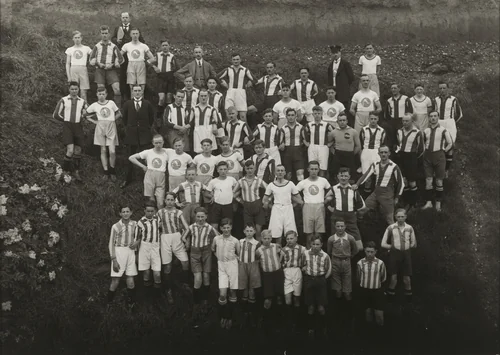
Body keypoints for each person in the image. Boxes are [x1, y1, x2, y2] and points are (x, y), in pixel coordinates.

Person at [354, 146, 404, 225]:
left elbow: (401, 184)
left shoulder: (394, 166)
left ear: (389, 154)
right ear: (378, 154)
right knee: (361, 211)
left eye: (385, 152)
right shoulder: (375, 164)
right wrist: (357, 184)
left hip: (387, 195)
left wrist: (397, 197)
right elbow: (366, 175)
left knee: (390, 220)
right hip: (376, 193)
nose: (383, 154)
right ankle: (359, 229)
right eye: (381, 152)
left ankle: (396, 236)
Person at [157, 192, 190, 304]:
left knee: (185, 262)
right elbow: (155, 226)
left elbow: (187, 228)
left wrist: (184, 238)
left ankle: (185, 283)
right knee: (167, 266)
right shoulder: (160, 212)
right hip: (165, 238)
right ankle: (168, 290)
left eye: (172, 200)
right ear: (165, 201)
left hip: (177, 237)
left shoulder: (178, 212)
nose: (170, 202)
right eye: (168, 200)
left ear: (174, 201)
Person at [121, 85, 156, 188]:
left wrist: (146, 127)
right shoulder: (127, 104)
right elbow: (125, 119)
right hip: (131, 135)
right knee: (130, 157)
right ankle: (128, 179)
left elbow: (151, 118)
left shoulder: (147, 104)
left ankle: (147, 179)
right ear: (132, 92)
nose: (137, 93)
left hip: (144, 135)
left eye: (139, 91)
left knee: (146, 158)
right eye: (135, 91)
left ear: (142, 92)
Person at [181, 207, 219, 304]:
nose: (200, 219)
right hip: (195, 253)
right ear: (195, 217)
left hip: (206, 252)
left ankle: (206, 299)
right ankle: (196, 301)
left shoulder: (209, 227)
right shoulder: (191, 227)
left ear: (206, 217)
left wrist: (213, 246)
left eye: (202, 217)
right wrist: (187, 242)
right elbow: (183, 237)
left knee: (206, 276)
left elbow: (218, 238)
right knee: (198, 277)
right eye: (198, 217)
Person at [52, 81, 88, 181]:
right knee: (70, 150)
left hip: (78, 127)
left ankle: (76, 171)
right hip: (68, 126)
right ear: (69, 89)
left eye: (76, 89)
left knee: (78, 150)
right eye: (72, 89)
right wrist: (65, 119)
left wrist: (83, 116)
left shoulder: (82, 101)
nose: (74, 91)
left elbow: (89, 112)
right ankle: (64, 171)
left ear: (78, 90)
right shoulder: (64, 100)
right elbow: (55, 115)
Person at [327, 219, 358, 329]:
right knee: (338, 290)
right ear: (335, 227)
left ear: (345, 227)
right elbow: (329, 251)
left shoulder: (350, 238)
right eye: (338, 226)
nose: (340, 228)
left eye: (342, 226)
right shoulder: (331, 239)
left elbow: (355, 250)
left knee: (347, 291)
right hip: (335, 262)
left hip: (346, 262)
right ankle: (338, 314)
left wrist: (348, 257)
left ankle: (349, 315)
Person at [381, 209, 417, 303]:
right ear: (395, 217)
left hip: (406, 254)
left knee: (407, 278)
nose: (400, 218)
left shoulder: (409, 228)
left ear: (406, 217)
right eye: (398, 217)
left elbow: (414, 243)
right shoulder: (391, 228)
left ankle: (408, 300)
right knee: (393, 277)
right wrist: (393, 247)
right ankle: (390, 298)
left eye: (402, 216)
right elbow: (383, 244)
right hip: (394, 254)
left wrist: (407, 246)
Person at [85, 87, 121, 181]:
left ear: (106, 94)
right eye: (99, 94)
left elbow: (119, 113)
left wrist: (113, 120)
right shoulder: (94, 105)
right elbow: (86, 115)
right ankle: (106, 172)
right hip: (100, 127)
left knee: (112, 150)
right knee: (103, 149)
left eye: (103, 94)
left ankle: (112, 170)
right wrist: (95, 122)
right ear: (97, 94)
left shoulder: (111, 103)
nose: (101, 96)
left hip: (111, 127)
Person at [263, 165, 304, 245]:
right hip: (276, 209)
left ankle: (289, 253)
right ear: (275, 173)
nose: (280, 172)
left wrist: (291, 205)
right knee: (277, 234)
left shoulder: (290, 184)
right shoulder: (271, 185)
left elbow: (299, 199)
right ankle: (279, 253)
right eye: (278, 170)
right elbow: (264, 200)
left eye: (282, 170)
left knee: (290, 232)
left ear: (285, 172)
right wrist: (272, 206)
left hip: (288, 208)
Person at [326, 168, 365, 250]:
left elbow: (361, 206)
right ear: (338, 176)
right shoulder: (334, 188)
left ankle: (350, 259)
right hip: (337, 218)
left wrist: (354, 212)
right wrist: (331, 209)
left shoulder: (353, 189)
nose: (343, 178)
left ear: (349, 177)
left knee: (359, 246)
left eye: (346, 176)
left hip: (350, 219)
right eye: (341, 176)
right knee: (336, 245)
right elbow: (326, 200)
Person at [107, 204, 139, 306]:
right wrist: (114, 259)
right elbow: (111, 243)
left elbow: (141, 236)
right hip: (119, 252)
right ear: (120, 213)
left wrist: (137, 242)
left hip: (130, 252)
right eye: (123, 212)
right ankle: (108, 302)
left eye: (127, 211)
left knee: (130, 280)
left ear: (131, 212)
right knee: (115, 280)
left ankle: (131, 304)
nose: (125, 214)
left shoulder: (135, 224)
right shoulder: (115, 226)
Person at [212, 218, 240, 329]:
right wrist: (219, 258)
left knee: (233, 292)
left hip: (232, 265)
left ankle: (230, 318)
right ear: (220, 228)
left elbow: (239, 253)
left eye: (228, 227)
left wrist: (233, 260)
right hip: (221, 265)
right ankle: (223, 316)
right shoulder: (216, 239)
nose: (226, 230)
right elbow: (213, 249)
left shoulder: (235, 241)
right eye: (224, 228)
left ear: (231, 227)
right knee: (222, 294)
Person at [422, 111, 453, 212]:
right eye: (431, 116)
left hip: (439, 156)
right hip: (427, 157)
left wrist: (444, 151)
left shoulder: (443, 130)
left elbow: (450, 143)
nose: (433, 118)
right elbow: (422, 143)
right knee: (428, 180)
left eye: (435, 116)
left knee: (439, 180)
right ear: (429, 118)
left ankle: (438, 204)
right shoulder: (425, 131)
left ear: (438, 117)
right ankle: (428, 202)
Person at [296, 161, 331, 248]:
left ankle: (319, 256)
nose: (314, 171)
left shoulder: (323, 181)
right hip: (308, 207)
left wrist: (325, 201)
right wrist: (301, 202)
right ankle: (309, 255)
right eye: (312, 169)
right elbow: (293, 193)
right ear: (308, 170)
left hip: (320, 207)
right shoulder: (303, 182)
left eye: (316, 169)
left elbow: (331, 192)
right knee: (309, 235)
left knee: (319, 234)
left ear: (319, 170)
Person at [302, 236, 332, 338]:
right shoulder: (305, 253)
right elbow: (302, 265)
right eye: (313, 244)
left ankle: (324, 328)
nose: (315, 246)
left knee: (321, 307)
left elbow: (328, 270)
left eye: (317, 244)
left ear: (321, 245)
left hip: (320, 281)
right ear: (310, 244)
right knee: (310, 306)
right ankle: (310, 328)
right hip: (309, 280)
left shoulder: (325, 256)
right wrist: (304, 269)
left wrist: (322, 279)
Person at [129, 135, 168, 209]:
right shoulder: (148, 152)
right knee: (151, 201)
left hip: (161, 177)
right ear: (153, 143)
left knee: (160, 203)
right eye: (156, 143)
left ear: (163, 142)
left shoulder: (167, 152)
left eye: (160, 142)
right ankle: (153, 218)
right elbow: (131, 158)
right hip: (150, 175)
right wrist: (143, 166)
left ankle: (161, 217)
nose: (158, 145)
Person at [111, 12, 144, 101]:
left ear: (129, 18)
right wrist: (116, 40)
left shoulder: (134, 29)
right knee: (123, 75)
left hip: (133, 56)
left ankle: (135, 96)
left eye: (126, 17)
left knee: (135, 77)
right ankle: (125, 96)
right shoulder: (118, 28)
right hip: (122, 55)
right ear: (121, 18)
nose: (125, 19)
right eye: (123, 17)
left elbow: (142, 41)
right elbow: (113, 39)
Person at [89, 25, 124, 108]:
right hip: (100, 70)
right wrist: (98, 64)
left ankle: (117, 109)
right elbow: (91, 59)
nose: (104, 35)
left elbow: (121, 59)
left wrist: (113, 64)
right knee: (101, 89)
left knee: (116, 89)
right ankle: (101, 108)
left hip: (111, 70)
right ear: (100, 34)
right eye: (103, 33)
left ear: (109, 34)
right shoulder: (97, 46)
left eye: (106, 33)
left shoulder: (113, 46)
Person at [255, 229, 285, 327]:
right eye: (265, 238)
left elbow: (282, 254)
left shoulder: (276, 246)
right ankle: (265, 320)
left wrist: (279, 262)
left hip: (278, 273)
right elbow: (257, 261)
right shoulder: (259, 250)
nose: (267, 240)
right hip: (267, 276)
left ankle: (280, 319)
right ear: (261, 239)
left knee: (280, 296)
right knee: (268, 298)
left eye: (269, 238)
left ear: (271, 238)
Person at [434, 81, 463, 176]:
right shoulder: (436, 99)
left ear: (448, 89)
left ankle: (446, 169)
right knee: (438, 144)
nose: (442, 90)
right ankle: (438, 168)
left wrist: (452, 122)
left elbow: (459, 114)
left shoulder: (454, 99)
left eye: (444, 88)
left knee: (450, 144)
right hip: (439, 122)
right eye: (440, 88)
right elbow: (434, 112)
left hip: (450, 122)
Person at [233, 161, 268, 239]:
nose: (250, 170)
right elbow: (234, 193)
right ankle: (250, 247)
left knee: (258, 229)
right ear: (245, 169)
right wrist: (240, 201)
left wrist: (266, 201)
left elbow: (269, 189)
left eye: (251, 168)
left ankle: (258, 247)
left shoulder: (258, 180)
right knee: (249, 230)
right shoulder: (241, 181)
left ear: (255, 168)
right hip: (247, 206)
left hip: (258, 205)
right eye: (248, 168)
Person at [396, 114, 424, 210]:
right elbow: (399, 144)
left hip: (412, 157)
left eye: (407, 121)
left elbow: (421, 149)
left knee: (412, 181)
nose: (404, 123)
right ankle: (407, 201)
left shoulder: (417, 132)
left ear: (412, 121)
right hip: (401, 157)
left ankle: (414, 202)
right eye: (403, 121)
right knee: (404, 180)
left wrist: (415, 159)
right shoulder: (399, 131)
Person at [357, 241, 387, 328]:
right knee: (368, 315)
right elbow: (358, 278)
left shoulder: (380, 263)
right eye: (367, 251)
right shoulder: (360, 263)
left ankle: (380, 336)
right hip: (365, 292)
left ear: (375, 251)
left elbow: (383, 278)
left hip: (377, 292)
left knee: (379, 317)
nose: (369, 254)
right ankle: (370, 336)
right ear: (365, 251)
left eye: (372, 252)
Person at [135, 202, 162, 295]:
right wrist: (137, 253)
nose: (150, 213)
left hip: (155, 246)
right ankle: (147, 294)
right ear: (144, 211)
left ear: (154, 211)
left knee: (157, 272)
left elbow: (161, 230)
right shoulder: (140, 222)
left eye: (152, 211)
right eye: (148, 211)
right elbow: (137, 238)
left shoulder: (158, 219)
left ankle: (157, 294)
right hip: (144, 246)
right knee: (146, 271)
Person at [219, 53, 255, 122]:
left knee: (242, 116)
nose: (236, 61)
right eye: (234, 59)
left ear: (240, 60)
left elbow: (255, 79)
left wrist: (251, 82)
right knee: (229, 113)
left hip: (241, 92)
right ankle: (230, 132)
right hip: (230, 91)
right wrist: (222, 82)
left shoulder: (245, 70)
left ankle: (245, 132)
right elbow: (217, 77)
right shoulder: (228, 69)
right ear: (231, 60)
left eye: (237, 59)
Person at [238, 224, 262, 326]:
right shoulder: (240, 241)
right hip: (242, 265)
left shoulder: (257, 243)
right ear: (244, 231)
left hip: (253, 265)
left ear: (255, 232)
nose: (249, 233)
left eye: (251, 231)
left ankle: (252, 312)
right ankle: (245, 311)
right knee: (244, 287)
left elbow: (259, 255)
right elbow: (237, 252)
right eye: (247, 231)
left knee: (252, 287)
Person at [281, 230, 305, 330]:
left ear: (296, 238)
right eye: (288, 238)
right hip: (286, 272)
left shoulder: (302, 249)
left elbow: (305, 261)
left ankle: (296, 322)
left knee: (297, 297)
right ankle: (289, 322)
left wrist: (303, 267)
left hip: (297, 271)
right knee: (287, 299)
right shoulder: (283, 249)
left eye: (291, 238)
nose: (290, 240)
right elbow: (280, 262)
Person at [303, 106, 335, 177]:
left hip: (323, 147)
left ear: (322, 114)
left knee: (322, 167)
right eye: (315, 113)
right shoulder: (309, 125)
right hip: (312, 147)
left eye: (318, 113)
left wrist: (330, 144)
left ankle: (321, 183)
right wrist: (306, 143)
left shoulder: (327, 125)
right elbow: (303, 135)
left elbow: (334, 134)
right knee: (312, 166)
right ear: (312, 114)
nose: (317, 115)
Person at [206, 161, 238, 231]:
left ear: (227, 170)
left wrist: (234, 196)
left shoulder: (232, 180)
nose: (223, 171)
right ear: (217, 170)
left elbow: (237, 190)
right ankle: (215, 241)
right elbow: (206, 193)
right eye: (221, 169)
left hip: (228, 205)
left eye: (225, 169)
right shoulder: (213, 181)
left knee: (227, 226)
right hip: (216, 205)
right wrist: (211, 196)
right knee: (214, 226)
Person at [120, 28, 154, 93]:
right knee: (131, 85)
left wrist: (146, 62)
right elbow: (119, 55)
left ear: (139, 34)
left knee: (142, 84)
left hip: (141, 64)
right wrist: (122, 60)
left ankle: (141, 101)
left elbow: (152, 58)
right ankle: (133, 101)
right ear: (130, 35)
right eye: (133, 34)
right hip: (131, 64)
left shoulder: (143, 46)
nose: (135, 35)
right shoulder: (126, 45)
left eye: (136, 33)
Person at [359, 112, 386, 192]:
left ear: (378, 119)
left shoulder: (382, 130)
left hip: (376, 152)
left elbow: (383, 143)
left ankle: (377, 195)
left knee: (378, 174)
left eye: (375, 119)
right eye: (371, 119)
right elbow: (361, 141)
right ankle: (366, 196)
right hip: (366, 152)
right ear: (369, 119)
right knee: (366, 175)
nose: (373, 121)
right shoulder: (364, 129)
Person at [187, 89, 218, 155]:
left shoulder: (212, 109)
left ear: (208, 96)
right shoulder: (194, 108)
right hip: (198, 131)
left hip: (209, 131)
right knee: (199, 152)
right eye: (201, 96)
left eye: (205, 96)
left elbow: (216, 121)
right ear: (198, 96)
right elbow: (190, 122)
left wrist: (214, 126)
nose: (203, 97)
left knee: (209, 151)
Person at [330, 113, 360, 180]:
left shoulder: (353, 132)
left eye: (344, 120)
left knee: (351, 176)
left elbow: (358, 146)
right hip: (338, 155)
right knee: (335, 175)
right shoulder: (333, 132)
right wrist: (334, 153)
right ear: (337, 122)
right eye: (340, 120)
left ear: (347, 121)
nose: (342, 122)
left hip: (350, 155)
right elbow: (329, 144)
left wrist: (352, 154)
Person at [65, 31, 92, 102]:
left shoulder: (87, 48)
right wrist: (69, 76)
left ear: (81, 38)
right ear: (73, 39)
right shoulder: (70, 49)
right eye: (75, 38)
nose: (77, 39)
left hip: (83, 69)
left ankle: (84, 109)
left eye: (78, 37)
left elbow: (93, 56)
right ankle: (74, 108)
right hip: (73, 69)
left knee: (83, 92)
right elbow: (67, 63)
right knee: (74, 90)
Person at [151, 39, 179, 108]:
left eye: (166, 45)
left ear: (169, 46)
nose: (165, 47)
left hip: (170, 77)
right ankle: (159, 115)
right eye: (163, 45)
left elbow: (177, 67)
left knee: (169, 98)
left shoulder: (172, 56)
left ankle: (167, 114)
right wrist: (154, 67)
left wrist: (173, 72)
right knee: (161, 98)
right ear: (161, 47)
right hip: (160, 77)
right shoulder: (158, 55)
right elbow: (148, 62)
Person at [327, 45, 355, 114]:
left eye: (336, 53)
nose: (335, 55)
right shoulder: (330, 65)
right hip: (333, 89)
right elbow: (329, 77)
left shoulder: (345, 64)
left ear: (340, 53)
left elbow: (351, 77)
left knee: (343, 109)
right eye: (333, 53)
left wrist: (344, 85)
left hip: (343, 91)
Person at [384, 83, 411, 150]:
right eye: (392, 88)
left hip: (402, 121)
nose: (393, 90)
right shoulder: (389, 100)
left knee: (402, 138)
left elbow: (410, 111)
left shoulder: (405, 98)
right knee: (392, 139)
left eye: (395, 88)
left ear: (399, 89)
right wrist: (390, 121)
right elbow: (386, 114)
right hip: (392, 122)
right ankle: (393, 155)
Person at [281, 108, 306, 182]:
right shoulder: (283, 128)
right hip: (287, 153)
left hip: (298, 152)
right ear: (286, 116)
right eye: (289, 115)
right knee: (288, 175)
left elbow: (306, 140)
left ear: (296, 116)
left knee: (300, 175)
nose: (291, 117)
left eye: (292, 115)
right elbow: (279, 142)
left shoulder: (301, 127)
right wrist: (281, 144)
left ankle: (301, 193)